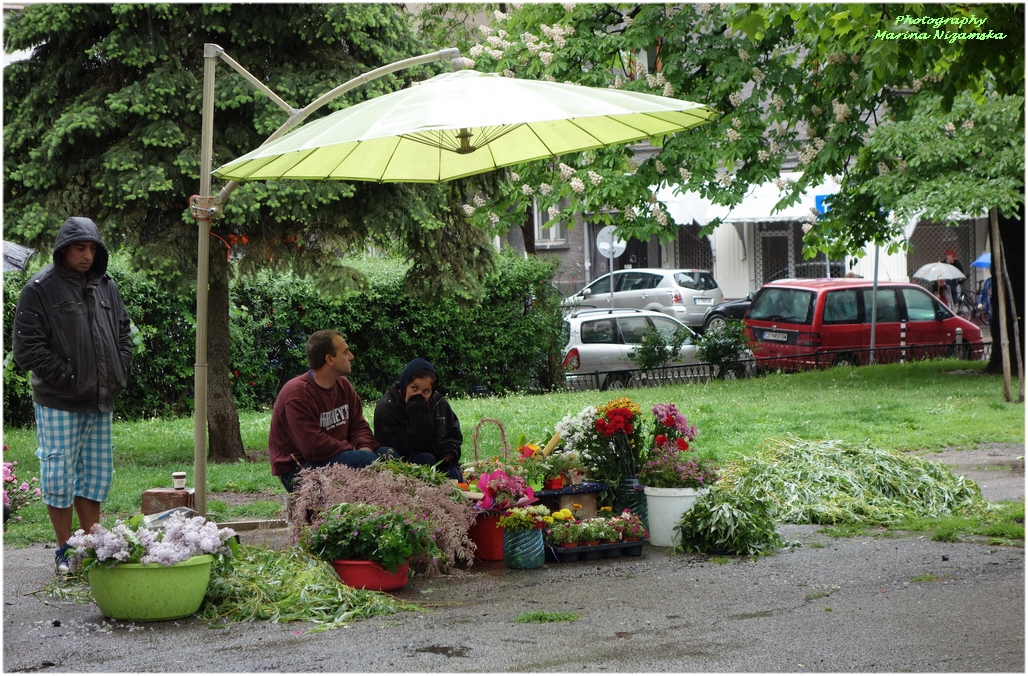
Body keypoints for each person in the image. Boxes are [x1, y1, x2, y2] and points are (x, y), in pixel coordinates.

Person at [12, 217, 133, 575]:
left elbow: (124, 333)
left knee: (96, 475)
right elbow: (27, 350)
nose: (87, 255)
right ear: (64, 249)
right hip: (58, 401)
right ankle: (65, 549)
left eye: (92, 248)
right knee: (58, 474)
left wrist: (118, 370)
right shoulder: (39, 289)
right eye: (81, 248)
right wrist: (71, 377)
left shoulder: (107, 286)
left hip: (101, 399)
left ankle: (91, 546)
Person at [268, 330, 382, 493]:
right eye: (345, 352)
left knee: (387, 454)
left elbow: (359, 426)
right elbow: (313, 447)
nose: (351, 356)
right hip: (299, 469)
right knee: (367, 461)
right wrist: (354, 451)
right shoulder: (297, 394)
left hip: (337, 455)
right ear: (329, 359)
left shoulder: (343, 385)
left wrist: (364, 447)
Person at [373, 358, 464, 481]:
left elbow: (453, 434)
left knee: (454, 475)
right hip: (403, 463)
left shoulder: (438, 402)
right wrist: (417, 414)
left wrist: (450, 451)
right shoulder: (388, 406)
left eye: (425, 391)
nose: (419, 394)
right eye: (414, 388)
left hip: (435, 459)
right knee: (426, 460)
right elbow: (393, 446)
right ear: (405, 385)